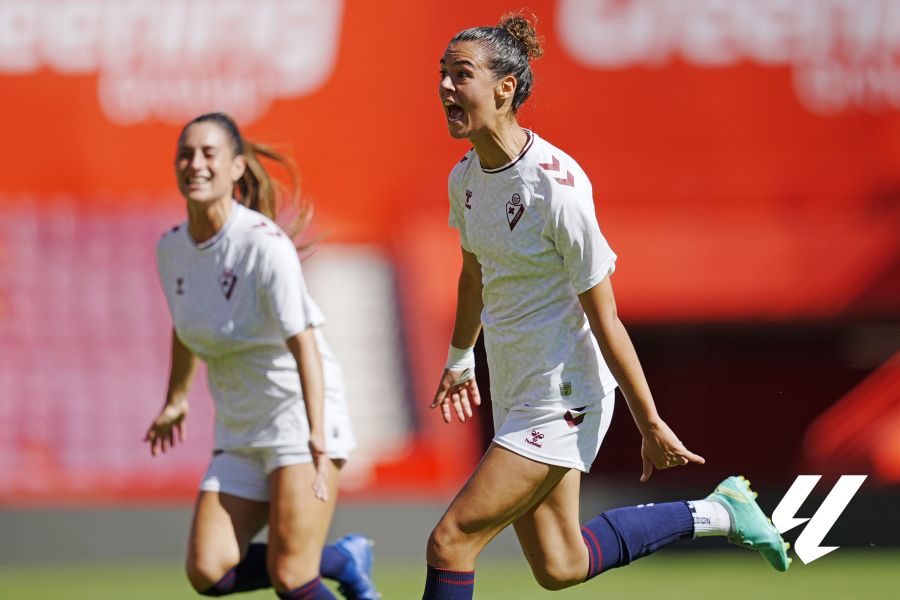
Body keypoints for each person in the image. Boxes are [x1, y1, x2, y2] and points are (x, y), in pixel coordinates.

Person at [425, 12, 791, 599]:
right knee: (561, 564)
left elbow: (606, 318)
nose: (444, 86)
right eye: (442, 74)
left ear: (504, 89)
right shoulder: (464, 177)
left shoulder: (558, 190)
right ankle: (721, 512)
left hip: (562, 396)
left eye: (459, 75)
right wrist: (461, 356)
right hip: (515, 387)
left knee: (451, 540)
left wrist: (649, 422)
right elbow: (473, 275)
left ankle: (720, 508)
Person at [145, 112, 380, 600]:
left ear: (235, 168)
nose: (195, 163)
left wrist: (317, 432)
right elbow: (187, 327)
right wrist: (176, 398)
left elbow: (306, 345)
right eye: (186, 154)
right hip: (240, 428)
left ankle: (330, 560)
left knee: (293, 577)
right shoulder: (171, 249)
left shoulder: (264, 246)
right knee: (208, 571)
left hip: (296, 418)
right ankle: (341, 557)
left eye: (209, 153)